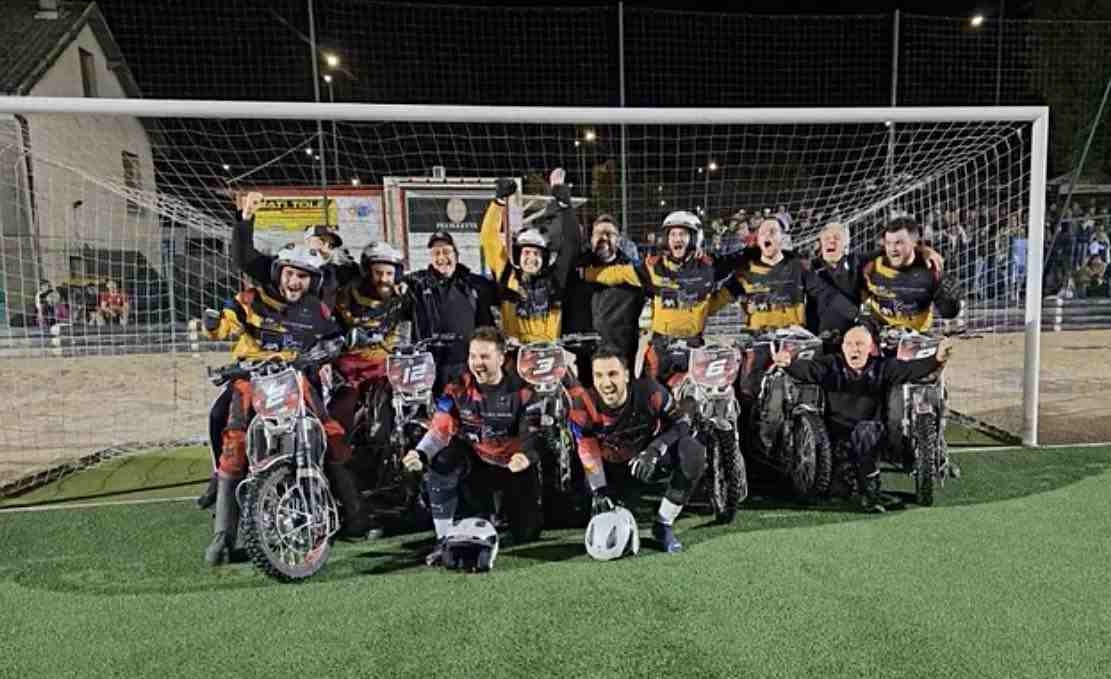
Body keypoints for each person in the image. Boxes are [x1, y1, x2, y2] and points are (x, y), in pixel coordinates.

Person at [200, 242, 366, 566]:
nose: (295, 282)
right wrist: (212, 324)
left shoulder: (316, 309)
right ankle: (223, 535)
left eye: (303, 277)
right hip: (251, 381)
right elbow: (224, 326)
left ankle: (358, 515)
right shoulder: (251, 299)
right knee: (234, 444)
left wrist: (325, 352)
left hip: (296, 380)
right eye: (290, 274)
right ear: (279, 274)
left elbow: (334, 338)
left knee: (331, 434)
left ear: (312, 281)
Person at [773, 325, 953, 512]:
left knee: (867, 430)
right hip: (834, 437)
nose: (854, 349)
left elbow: (911, 369)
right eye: (849, 344)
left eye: (859, 344)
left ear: (870, 348)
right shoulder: (831, 365)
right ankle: (849, 481)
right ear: (843, 347)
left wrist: (937, 358)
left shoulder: (882, 367)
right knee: (837, 492)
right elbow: (808, 369)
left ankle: (871, 493)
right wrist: (789, 364)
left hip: (871, 435)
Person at [402, 326, 543, 564]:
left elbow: (535, 434)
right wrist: (421, 453)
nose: (478, 363)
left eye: (485, 356)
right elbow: (440, 429)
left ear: (501, 358)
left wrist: (525, 456)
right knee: (443, 459)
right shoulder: (457, 387)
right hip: (477, 467)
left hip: (513, 468)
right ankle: (443, 538)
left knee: (526, 534)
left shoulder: (523, 390)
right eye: (473, 356)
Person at [569, 345, 709, 552]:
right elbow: (586, 449)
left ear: (626, 375)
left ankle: (663, 525)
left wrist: (654, 450)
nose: (606, 383)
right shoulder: (583, 404)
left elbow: (681, 423)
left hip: (647, 460)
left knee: (693, 451)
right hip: (611, 470)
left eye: (612, 374)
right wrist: (599, 489)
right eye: (599, 375)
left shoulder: (650, 391)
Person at [581, 210, 745, 386]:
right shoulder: (654, 267)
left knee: (697, 390)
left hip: (693, 345)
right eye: (672, 234)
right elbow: (618, 273)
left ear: (694, 238)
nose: (677, 238)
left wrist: (733, 290)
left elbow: (742, 262)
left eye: (682, 234)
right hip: (661, 346)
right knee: (651, 391)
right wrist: (585, 273)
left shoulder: (709, 267)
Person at [328, 242, 411, 461]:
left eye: (389, 274)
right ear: (367, 272)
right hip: (350, 368)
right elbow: (333, 326)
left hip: (385, 366)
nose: (384, 279)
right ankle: (340, 462)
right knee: (341, 412)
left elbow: (404, 327)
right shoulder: (347, 294)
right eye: (378, 273)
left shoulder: (401, 296)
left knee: (392, 408)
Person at [479, 169, 581, 343]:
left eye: (537, 253)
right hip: (515, 351)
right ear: (518, 255)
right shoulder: (507, 275)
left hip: (549, 352)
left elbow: (571, 244)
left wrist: (564, 204)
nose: (531, 258)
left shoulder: (555, 279)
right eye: (527, 252)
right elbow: (489, 239)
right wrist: (498, 203)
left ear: (544, 258)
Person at [401, 230, 498, 387]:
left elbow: (502, 297)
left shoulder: (474, 283)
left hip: (466, 364)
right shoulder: (416, 284)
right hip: (427, 364)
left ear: (456, 255)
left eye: (446, 252)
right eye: (436, 253)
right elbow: (390, 292)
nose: (441, 257)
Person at [232, 191, 360, 309]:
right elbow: (245, 259)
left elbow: (363, 275)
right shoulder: (283, 262)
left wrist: (352, 261)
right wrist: (246, 218)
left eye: (331, 245)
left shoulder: (334, 273)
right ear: (307, 239)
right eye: (321, 240)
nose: (325, 246)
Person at [859, 216, 962, 332]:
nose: (892, 249)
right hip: (880, 331)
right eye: (888, 243)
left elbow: (948, 312)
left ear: (914, 243)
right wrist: (865, 320)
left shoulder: (929, 269)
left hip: (917, 335)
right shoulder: (871, 267)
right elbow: (865, 297)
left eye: (899, 243)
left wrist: (951, 301)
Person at [573, 214, 647, 375]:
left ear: (618, 239)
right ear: (591, 239)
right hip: (587, 352)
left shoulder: (633, 270)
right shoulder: (577, 268)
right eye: (599, 233)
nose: (604, 238)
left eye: (609, 234)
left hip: (621, 352)